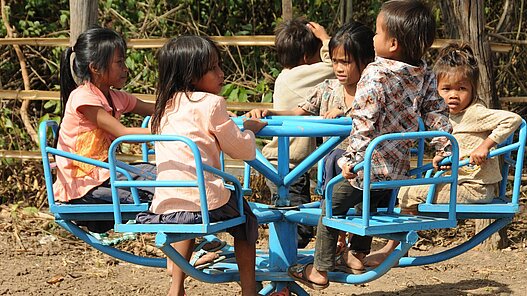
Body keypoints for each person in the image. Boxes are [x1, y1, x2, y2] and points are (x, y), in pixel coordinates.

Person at [287, 0, 452, 290]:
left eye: (376, 32)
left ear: (393, 43)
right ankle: (357, 254)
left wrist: (351, 160)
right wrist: (445, 151)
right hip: (397, 173)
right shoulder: (424, 74)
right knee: (368, 208)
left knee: (331, 202)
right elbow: (436, 114)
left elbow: (363, 121)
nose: (373, 38)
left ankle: (319, 270)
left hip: (367, 170)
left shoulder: (374, 74)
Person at [363, 43, 523, 267]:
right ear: (436, 90)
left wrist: (485, 146)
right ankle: (400, 245)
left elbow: (514, 120)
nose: (453, 95)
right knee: (408, 189)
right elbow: (458, 148)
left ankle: (394, 249)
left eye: (461, 89)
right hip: (459, 182)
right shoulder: (444, 117)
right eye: (446, 89)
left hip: (475, 189)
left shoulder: (476, 113)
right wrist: (443, 158)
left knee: (409, 191)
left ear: (473, 89)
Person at [135, 36, 267, 296]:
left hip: (167, 201)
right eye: (213, 68)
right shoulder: (211, 104)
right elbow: (241, 149)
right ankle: (249, 290)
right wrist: (250, 130)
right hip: (205, 201)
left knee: (188, 217)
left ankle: (176, 289)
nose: (221, 74)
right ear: (191, 75)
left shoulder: (163, 107)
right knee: (246, 220)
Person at [246, 21, 376, 261]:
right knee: (326, 213)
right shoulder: (327, 88)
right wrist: (270, 112)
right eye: (335, 62)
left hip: (360, 168)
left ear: (365, 61)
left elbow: (376, 118)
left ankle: (338, 260)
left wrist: (347, 115)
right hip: (332, 167)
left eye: (345, 62)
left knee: (354, 213)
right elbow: (299, 112)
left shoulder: (370, 90)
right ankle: (315, 262)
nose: (338, 68)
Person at [53, 26, 156, 233]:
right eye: (119, 63)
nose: (126, 68)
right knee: (161, 192)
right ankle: (191, 243)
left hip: (106, 176)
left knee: (167, 174)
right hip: (84, 187)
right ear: (96, 68)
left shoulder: (115, 97)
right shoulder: (84, 98)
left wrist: (185, 111)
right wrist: (176, 131)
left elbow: (155, 109)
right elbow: (122, 133)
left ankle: (193, 242)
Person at [247, 18, 334, 248]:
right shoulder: (300, 75)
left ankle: (284, 272)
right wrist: (326, 39)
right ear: (306, 59)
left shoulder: (286, 75)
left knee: (293, 223)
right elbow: (340, 65)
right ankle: (283, 274)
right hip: (287, 164)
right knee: (298, 228)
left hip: (292, 163)